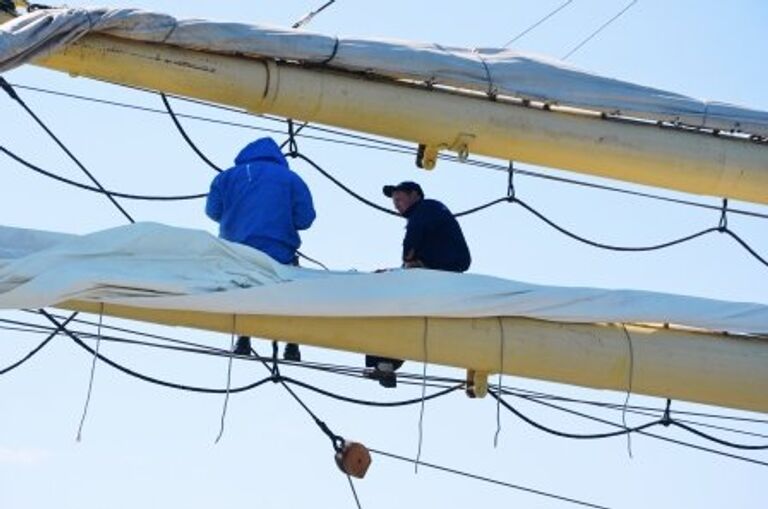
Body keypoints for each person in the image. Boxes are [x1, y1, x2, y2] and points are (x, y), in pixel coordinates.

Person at [206, 137, 316, 361]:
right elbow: (305, 219)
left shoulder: (225, 177)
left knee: (243, 288)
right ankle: (291, 344)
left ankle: (244, 338)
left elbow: (213, 211)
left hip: (237, 251)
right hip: (279, 251)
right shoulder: (291, 179)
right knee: (289, 292)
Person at [366, 181, 471, 387]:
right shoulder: (432, 210)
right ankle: (386, 362)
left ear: (415, 194)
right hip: (441, 268)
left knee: (387, 297)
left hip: (440, 269)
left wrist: (406, 260)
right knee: (403, 310)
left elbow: (413, 235)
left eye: (399, 198)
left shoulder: (426, 208)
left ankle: (385, 361)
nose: (396, 204)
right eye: (394, 201)